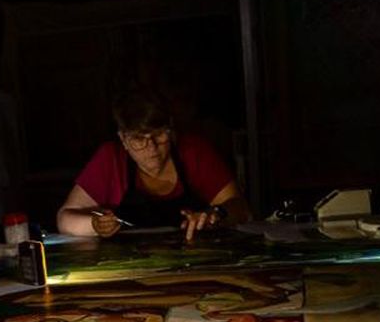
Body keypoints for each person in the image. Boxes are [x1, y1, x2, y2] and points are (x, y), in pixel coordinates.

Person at [56, 86, 249, 242]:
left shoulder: (194, 152)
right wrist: (95, 225)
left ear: (171, 130)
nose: (152, 147)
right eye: (139, 139)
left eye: (159, 135)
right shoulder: (111, 159)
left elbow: (241, 209)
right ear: (123, 139)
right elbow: (65, 219)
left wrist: (216, 215)